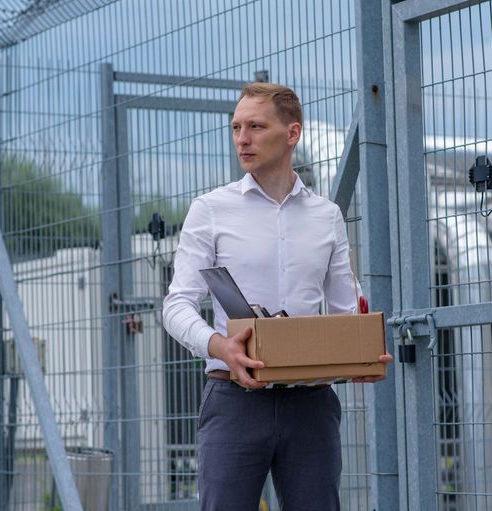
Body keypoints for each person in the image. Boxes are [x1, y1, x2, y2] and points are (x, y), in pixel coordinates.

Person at [163, 82, 393, 511]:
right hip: (233, 397)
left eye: (255, 126)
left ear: (292, 133)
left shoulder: (327, 217)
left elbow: (348, 309)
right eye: (236, 127)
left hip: (311, 405)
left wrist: (363, 354)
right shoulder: (210, 210)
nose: (241, 139)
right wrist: (220, 347)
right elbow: (176, 305)